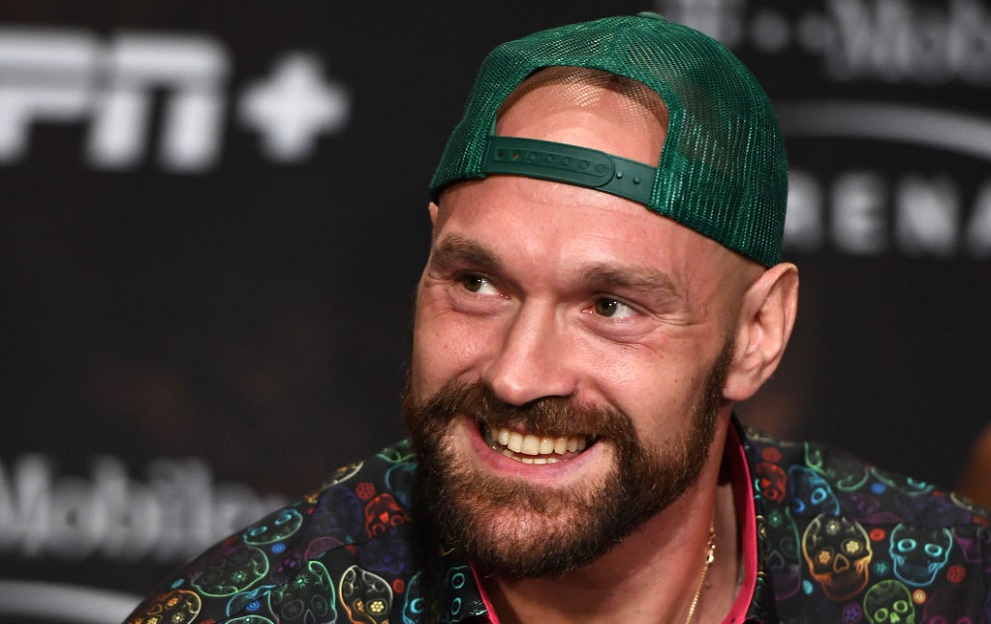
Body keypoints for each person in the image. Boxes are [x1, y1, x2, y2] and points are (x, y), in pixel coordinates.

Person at [123, 13, 991, 624]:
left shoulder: (937, 584)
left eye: (609, 305)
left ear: (755, 333)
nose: (516, 374)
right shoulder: (254, 610)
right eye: (476, 284)